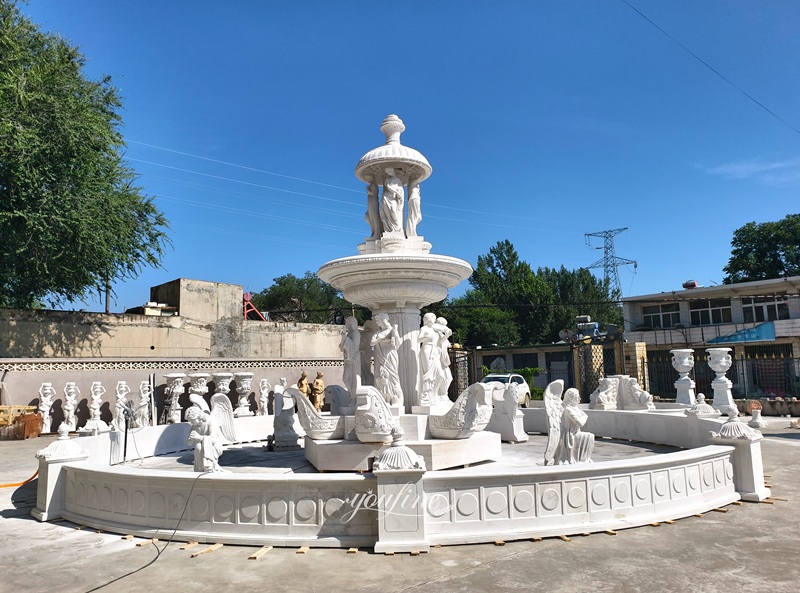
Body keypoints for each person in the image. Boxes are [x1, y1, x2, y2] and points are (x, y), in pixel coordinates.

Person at [554, 388, 594, 464]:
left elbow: (582, 419)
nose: (579, 398)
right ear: (571, 398)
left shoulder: (575, 409)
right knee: (589, 436)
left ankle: (583, 458)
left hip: (576, 432)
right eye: (577, 396)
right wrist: (585, 416)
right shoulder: (568, 409)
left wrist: (584, 416)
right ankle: (580, 459)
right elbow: (580, 423)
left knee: (590, 436)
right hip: (570, 435)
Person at [370, 313, 403, 406]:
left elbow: (398, 343)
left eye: (377, 320)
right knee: (379, 377)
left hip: (390, 355)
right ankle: (383, 399)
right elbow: (372, 343)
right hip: (380, 356)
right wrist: (380, 338)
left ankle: (395, 399)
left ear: (383, 319)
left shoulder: (392, 330)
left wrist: (395, 333)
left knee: (392, 377)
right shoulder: (378, 333)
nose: (376, 322)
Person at [418, 313, 444, 405]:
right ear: (428, 319)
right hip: (427, 350)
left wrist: (446, 335)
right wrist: (427, 337)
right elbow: (418, 340)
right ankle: (425, 397)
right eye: (433, 317)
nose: (434, 319)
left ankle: (434, 394)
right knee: (428, 374)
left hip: (435, 351)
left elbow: (440, 341)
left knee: (440, 374)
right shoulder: (424, 328)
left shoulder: (435, 330)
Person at [339, 316, 361, 398]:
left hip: (353, 359)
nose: (346, 324)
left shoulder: (355, 333)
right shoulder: (350, 333)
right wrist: (343, 337)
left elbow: (353, 346)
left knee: (351, 379)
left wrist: (345, 338)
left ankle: (353, 396)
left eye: (347, 322)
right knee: (346, 378)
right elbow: (343, 346)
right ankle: (351, 395)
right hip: (348, 359)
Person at [380, 168, 404, 233]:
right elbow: (388, 187)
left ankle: (397, 228)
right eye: (387, 172)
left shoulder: (398, 180)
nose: (388, 173)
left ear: (393, 171)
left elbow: (401, 188)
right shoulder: (387, 180)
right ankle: (389, 229)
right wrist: (397, 193)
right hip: (386, 197)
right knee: (387, 213)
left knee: (393, 211)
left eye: (389, 171)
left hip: (393, 199)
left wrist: (400, 196)